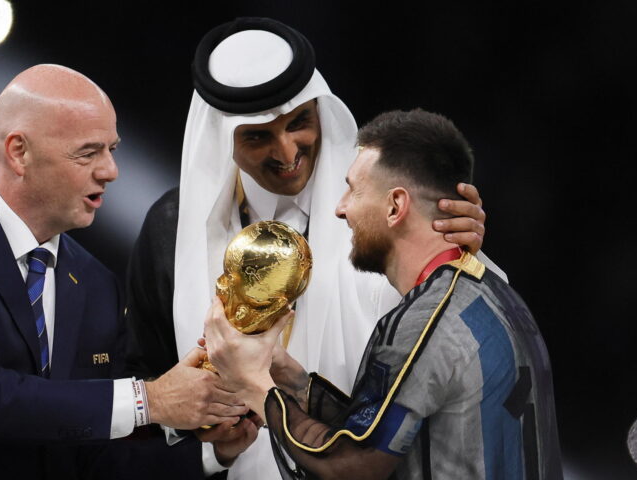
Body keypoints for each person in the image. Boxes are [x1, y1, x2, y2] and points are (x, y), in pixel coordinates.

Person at [123, 18, 500, 478]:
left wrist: (462, 260)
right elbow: (148, 392)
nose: (287, 152)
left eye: (299, 122)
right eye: (258, 135)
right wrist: (203, 436)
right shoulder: (171, 229)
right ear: (223, 139)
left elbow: (469, 350)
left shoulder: (389, 207)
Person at [0, 64, 247, 480]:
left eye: (112, 149)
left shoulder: (95, 283)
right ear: (19, 152)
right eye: (88, 153)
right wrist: (150, 399)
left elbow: (91, 455)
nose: (110, 171)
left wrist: (212, 453)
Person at [204, 109, 562, 479]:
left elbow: (351, 467)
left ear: (395, 206)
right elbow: (381, 435)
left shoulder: (423, 321)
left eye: (353, 190)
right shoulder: (495, 295)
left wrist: (255, 385)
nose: (341, 208)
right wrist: (292, 381)